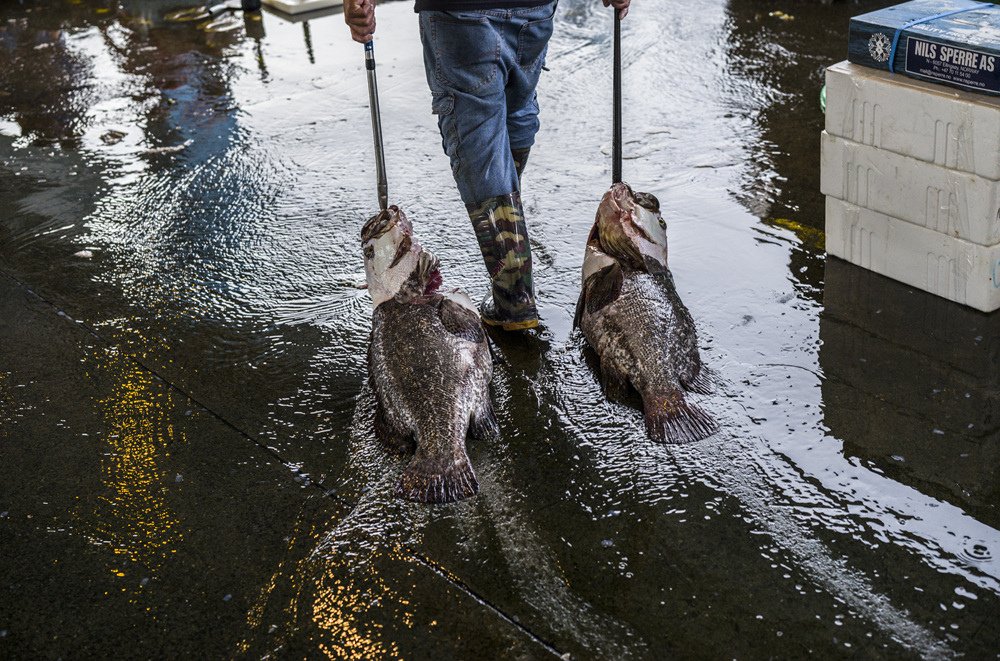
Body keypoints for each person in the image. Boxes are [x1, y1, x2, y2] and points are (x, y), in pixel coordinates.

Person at [346, 0, 629, 331]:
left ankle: (513, 297)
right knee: (516, 103)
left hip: (462, 12)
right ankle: (511, 255)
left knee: (480, 137)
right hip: (534, 9)